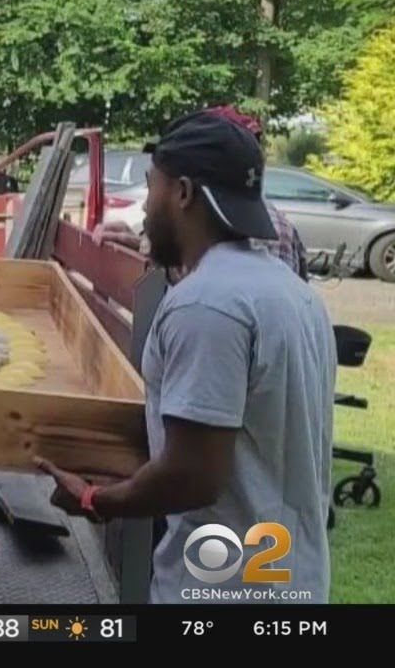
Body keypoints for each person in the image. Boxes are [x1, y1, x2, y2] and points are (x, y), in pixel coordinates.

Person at [35, 110, 337, 604]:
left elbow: (193, 476)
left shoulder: (206, 304)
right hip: (292, 586)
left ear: (182, 193)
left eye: (153, 185)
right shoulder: (295, 295)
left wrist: (95, 499)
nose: (147, 204)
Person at [95, 105, 309, 281]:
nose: (145, 204)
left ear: (184, 191)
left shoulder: (263, 235)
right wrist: (147, 249)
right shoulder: (270, 226)